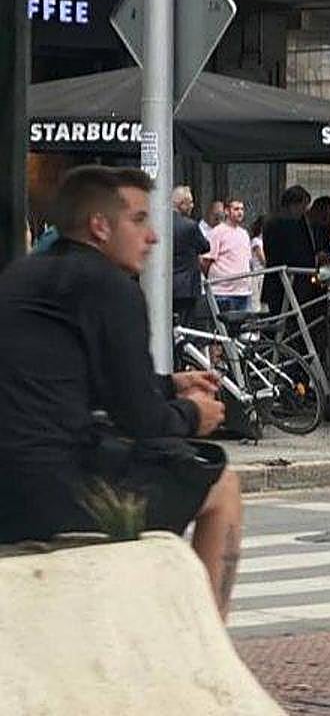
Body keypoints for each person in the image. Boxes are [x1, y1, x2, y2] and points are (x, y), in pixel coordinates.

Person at [0, 166, 242, 619]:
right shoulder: (110, 287)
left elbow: (82, 383)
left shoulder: (23, 277)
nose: (152, 237)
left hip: (9, 485)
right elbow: (142, 422)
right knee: (221, 486)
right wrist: (193, 414)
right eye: (139, 220)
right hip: (55, 491)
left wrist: (171, 385)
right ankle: (212, 649)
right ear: (100, 225)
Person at [262, 185, 315, 316]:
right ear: (293, 205)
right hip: (285, 281)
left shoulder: (298, 222)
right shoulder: (279, 224)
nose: (303, 211)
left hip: (296, 281)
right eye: (302, 207)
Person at [204, 198, 254, 314]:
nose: (240, 212)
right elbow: (206, 260)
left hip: (243, 291)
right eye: (236, 209)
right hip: (223, 292)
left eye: (242, 209)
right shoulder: (217, 232)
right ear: (226, 211)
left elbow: (247, 260)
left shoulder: (244, 234)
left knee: (242, 329)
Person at [170, 185, 208, 323]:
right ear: (181, 204)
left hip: (165, 284)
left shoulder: (159, 223)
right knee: (186, 325)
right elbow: (205, 246)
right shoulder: (190, 226)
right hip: (186, 285)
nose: (192, 206)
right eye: (190, 202)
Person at [249, 215, 267, 312]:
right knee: (256, 302)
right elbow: (262, 259)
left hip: (264, 274)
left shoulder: (265, 240)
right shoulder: (256, 241)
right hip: (258, 274)